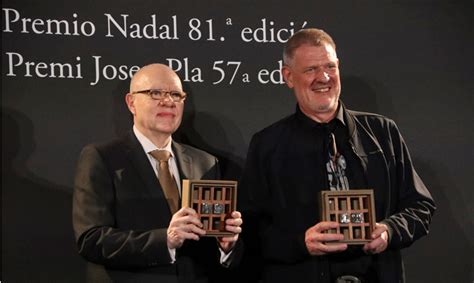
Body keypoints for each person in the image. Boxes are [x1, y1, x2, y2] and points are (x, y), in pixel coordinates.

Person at [238, 28, 436, 283]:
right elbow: (249, 231)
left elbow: (421, 206)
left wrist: (389, 231)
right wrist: (301, 243)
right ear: (288, 76)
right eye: (311, 69)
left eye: (330, 67)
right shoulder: (267, 144)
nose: (323, 77)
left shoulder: (383, 132)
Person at [73, 63, 242, 283]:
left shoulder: (205, 163)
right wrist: (166, 240)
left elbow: (210, 244)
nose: (168, 101)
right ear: (131, 103)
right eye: (155, 93)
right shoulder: (101, 157)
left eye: (175, 94)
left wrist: (227, 244)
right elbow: (91, 240)